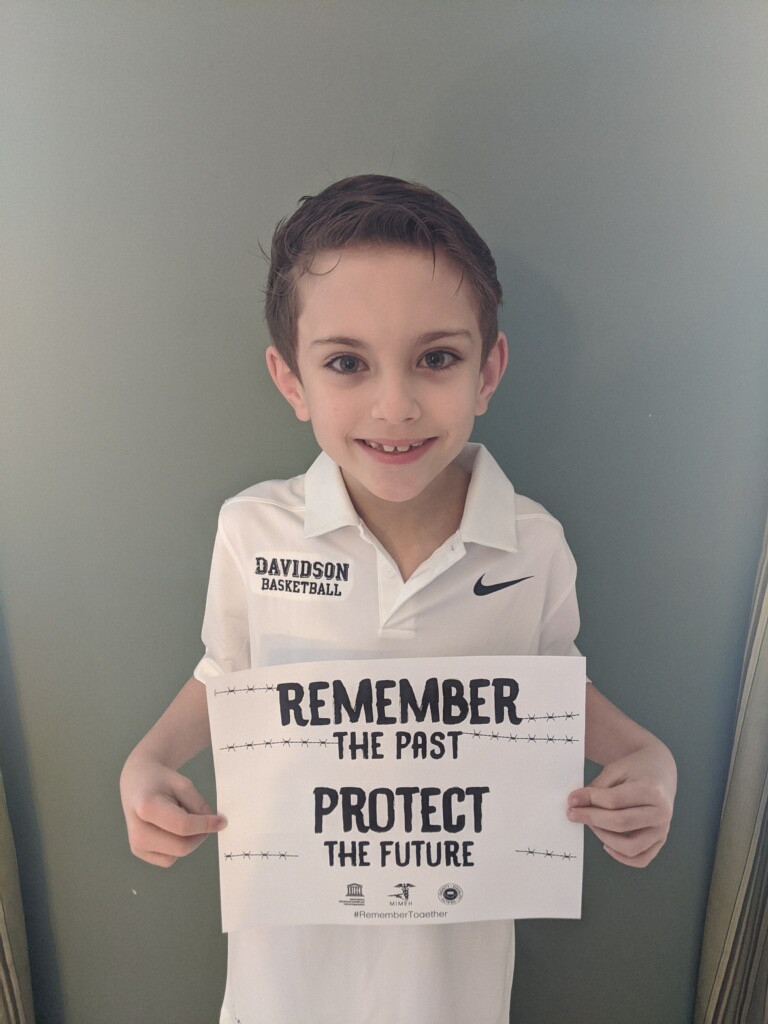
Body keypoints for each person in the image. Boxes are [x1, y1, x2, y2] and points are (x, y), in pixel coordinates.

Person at [120, 174, 677, 1024]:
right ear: (291, 379)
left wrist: (647, 764)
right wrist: (149, 762)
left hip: (454, 995)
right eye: (347, 363)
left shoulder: (534, 547)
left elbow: (558, 695)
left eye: (437, 358)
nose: (395, 404)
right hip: (282, 992)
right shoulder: (254, 533)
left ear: (487, 369)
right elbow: (226, 674)